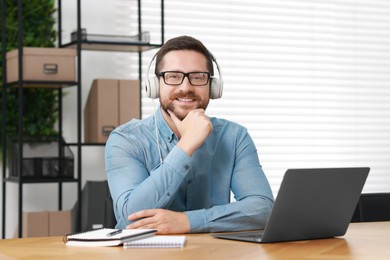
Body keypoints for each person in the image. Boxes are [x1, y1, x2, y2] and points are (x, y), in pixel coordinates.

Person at [105, 35, 274, 234]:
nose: (186, 87)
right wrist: (186, 145)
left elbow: (263, 209)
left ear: (213, 87)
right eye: (173, 76)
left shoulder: (235, 137)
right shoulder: (125, 139)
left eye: (198, 77)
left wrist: (187, 221)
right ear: (155, 85)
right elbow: (130, 219)